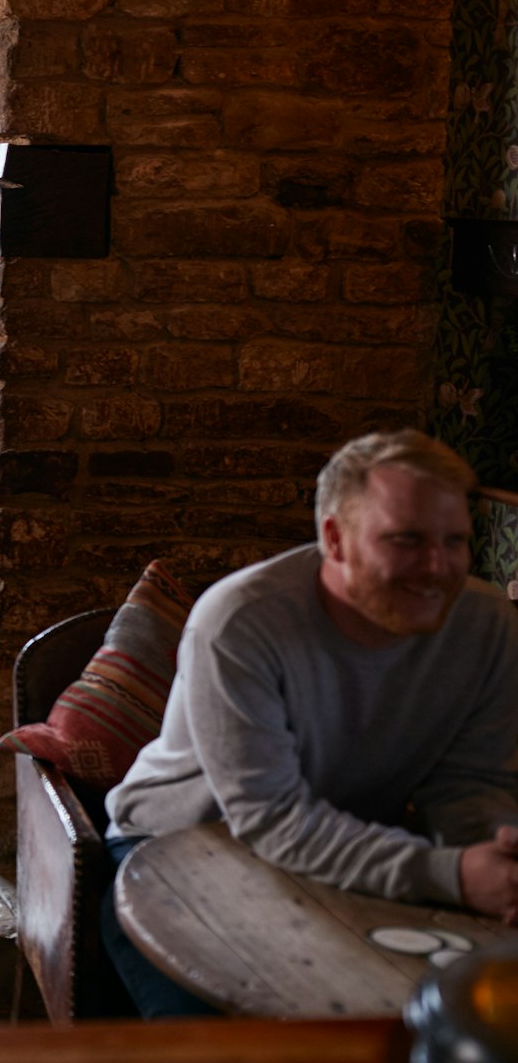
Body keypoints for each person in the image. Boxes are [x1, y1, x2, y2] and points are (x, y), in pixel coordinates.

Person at [101, 429, 518, 1017]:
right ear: (335, 539)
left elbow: (469, 784)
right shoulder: (241, 621)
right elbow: (271, 816)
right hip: (171, 850)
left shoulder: (490, 624)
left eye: (456, 541)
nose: (439, 567)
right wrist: (451, 874)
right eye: (407, 540)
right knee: (228, 1048)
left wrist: (494, 858)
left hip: (344, 843)